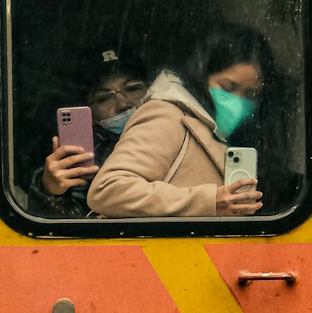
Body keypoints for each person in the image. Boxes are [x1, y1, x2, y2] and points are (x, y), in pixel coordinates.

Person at [87, 25, 277, 219]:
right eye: (227, 87)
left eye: (250, 94)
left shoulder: (233, 133)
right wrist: (208, 202)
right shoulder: (167, 114)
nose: (238, 102)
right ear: (201, 77)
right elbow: (108, 190)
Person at [29, 47, 148, 216]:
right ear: (90, 113)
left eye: (133, 88)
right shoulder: (86, 160)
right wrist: (50, 192)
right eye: (104, 98)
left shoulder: (184, 130)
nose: (123, 104)